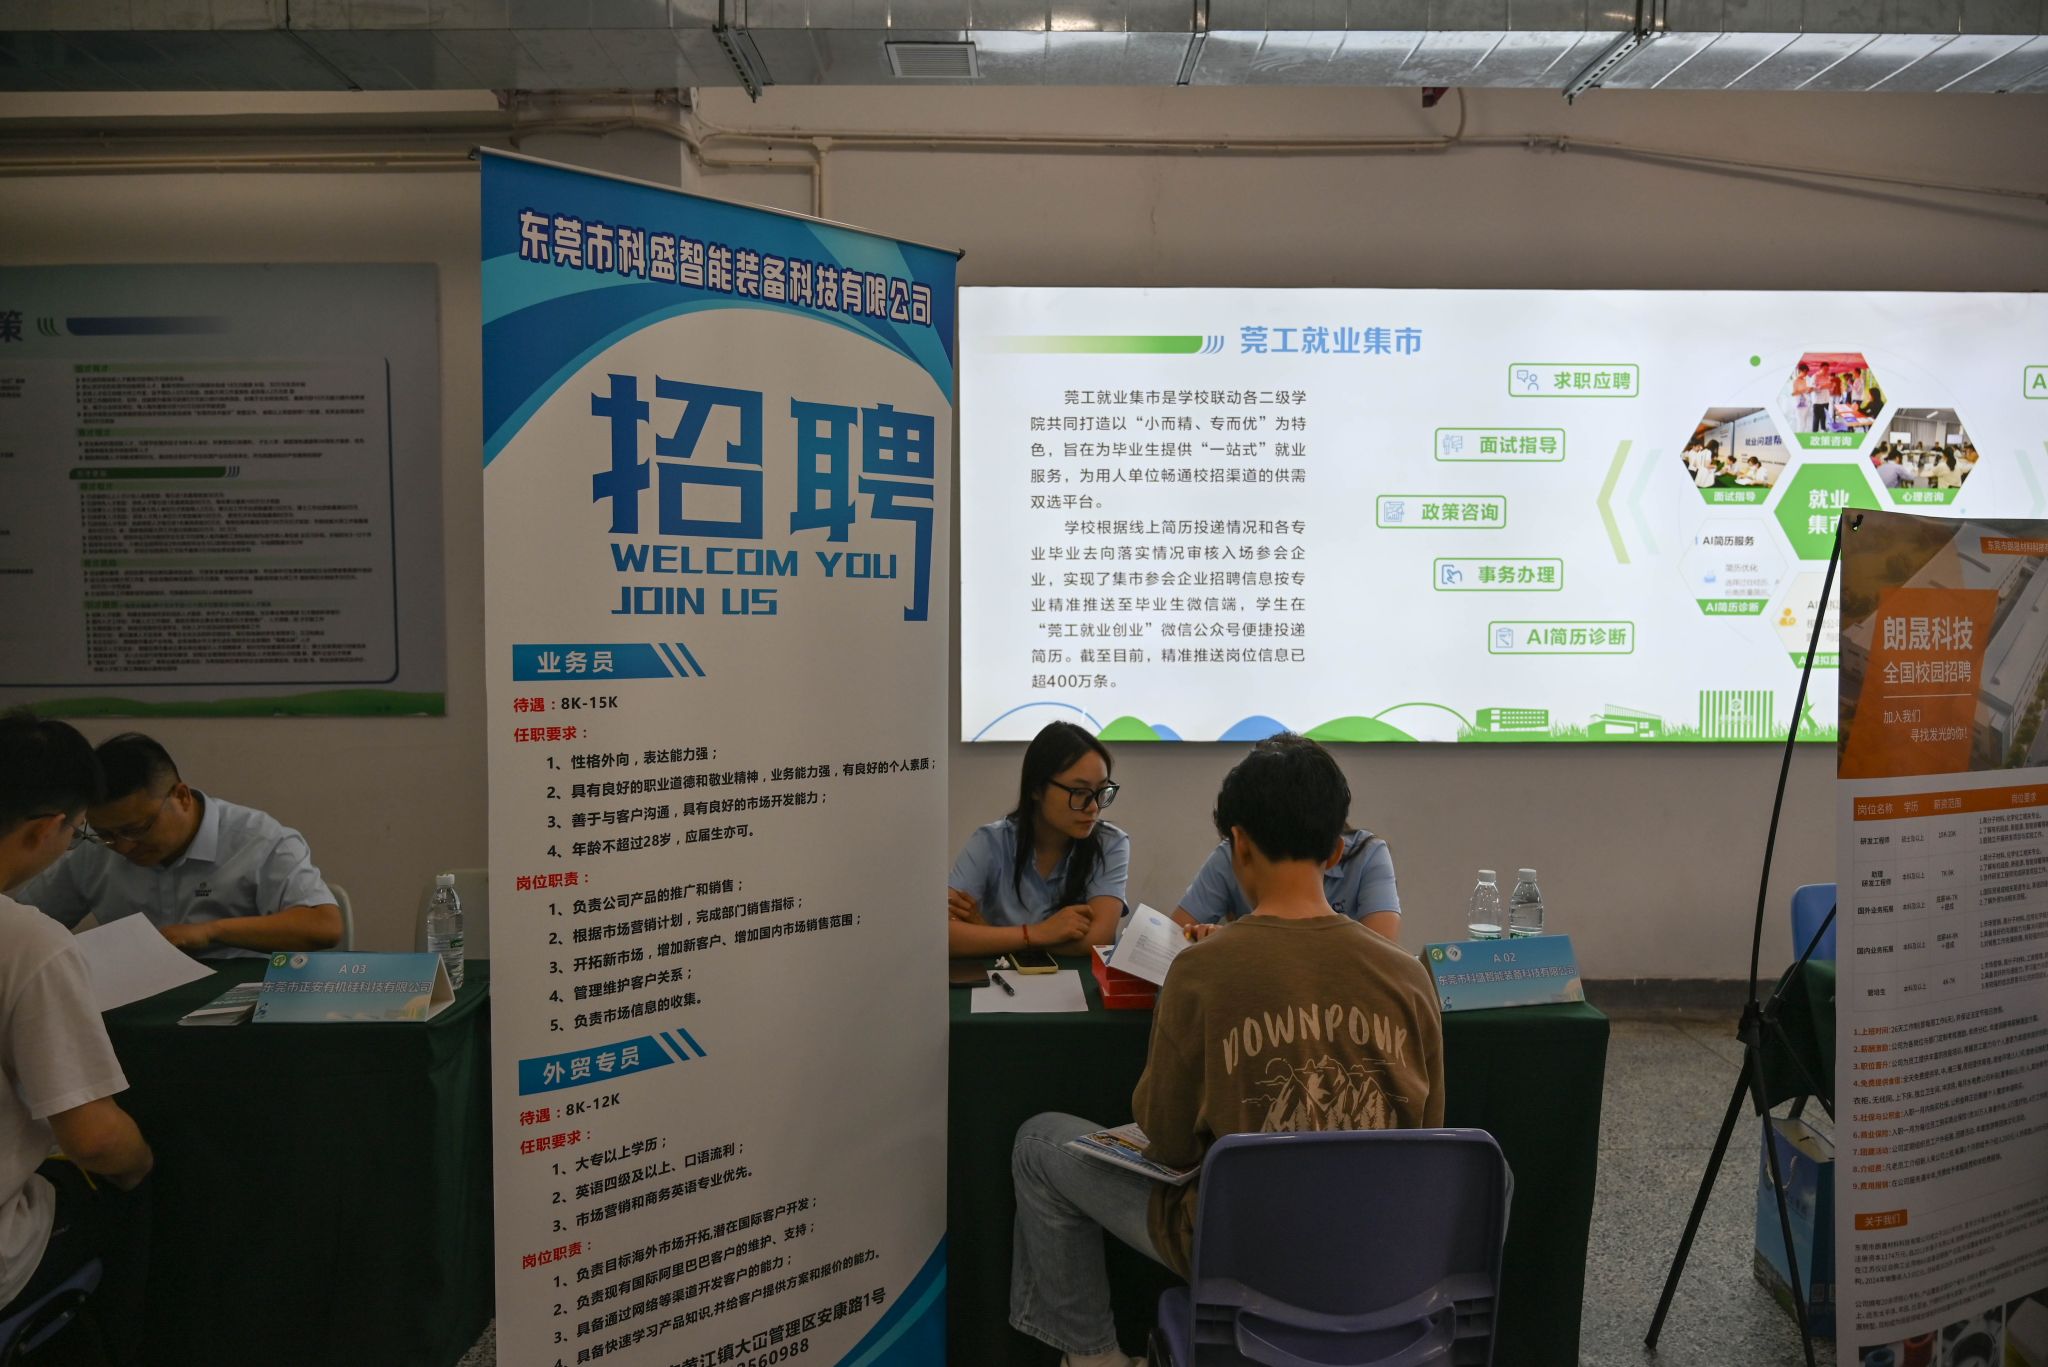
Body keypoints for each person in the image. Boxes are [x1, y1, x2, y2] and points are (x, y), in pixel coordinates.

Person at [1007, 734, 1445, 1367]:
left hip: (1241, 1250)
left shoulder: (1199, 970)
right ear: (1335, 850)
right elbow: (1426, 1141)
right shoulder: (1409, 978)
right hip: (1377, 1247)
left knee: (1037, 1144)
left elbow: (1169, 1140)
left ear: (1238, 844)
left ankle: (1095, 1357)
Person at [0, 713, 154, 1365]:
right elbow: (92, 1137)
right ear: (46, 828)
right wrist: (140, 1164)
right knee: (129, 1189)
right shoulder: (27, 942)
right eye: (79, 832)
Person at [18, 732, 342, 959]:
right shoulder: (95, 849)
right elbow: (23, 924)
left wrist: (211, 931)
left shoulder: (259, 839)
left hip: (240, 1004)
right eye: (106, 833)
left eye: (137, 829)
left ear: (182, 796)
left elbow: (323, 926)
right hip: (134, 998)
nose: (124, 847)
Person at [947, 721, 1128, 958]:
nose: (1093, 807)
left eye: (1101, 791)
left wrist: (988, 932)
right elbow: (944, 934)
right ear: (1036, 789)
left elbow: (1097, 940)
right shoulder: (990, 842)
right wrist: (1037, 933)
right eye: (1079, 792)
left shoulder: (1110, 843)